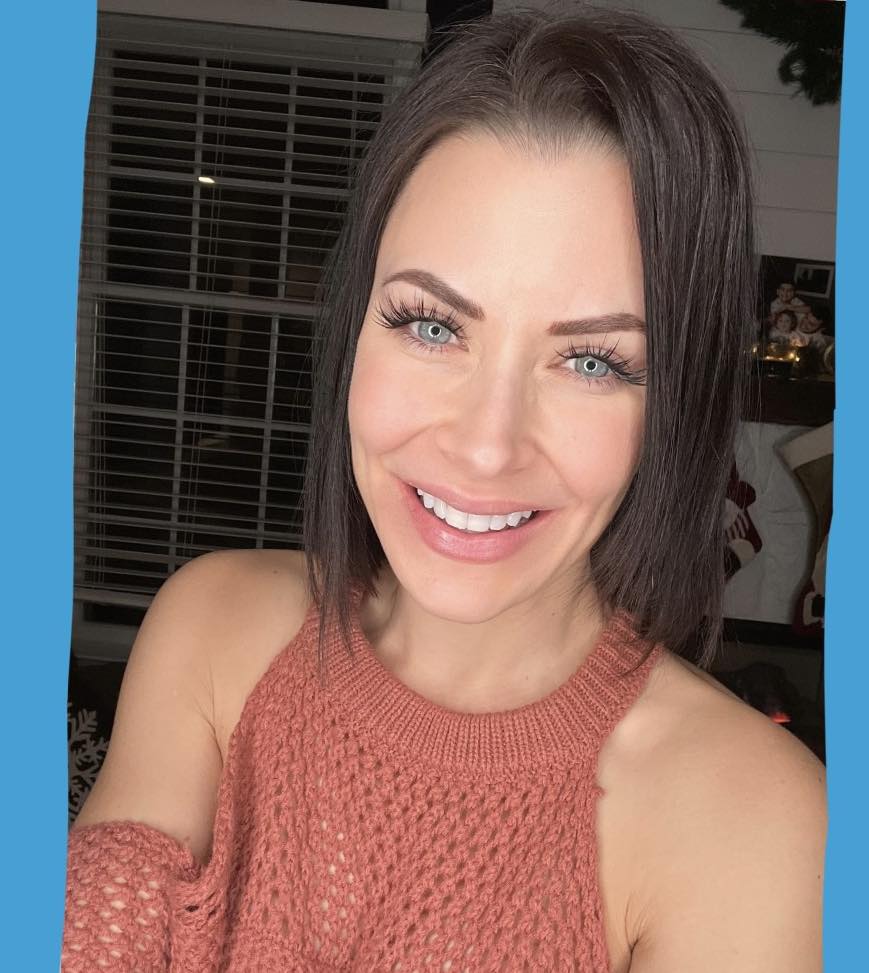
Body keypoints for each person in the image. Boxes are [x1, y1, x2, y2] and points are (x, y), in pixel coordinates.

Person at [62, 6, 826, 972]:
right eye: (431, 325)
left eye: (592, 360)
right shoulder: (211, 629)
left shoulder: (752, 821)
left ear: (675, 402)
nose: (483, 445)